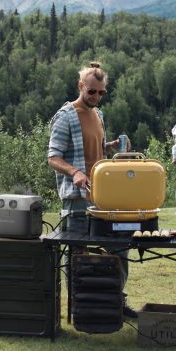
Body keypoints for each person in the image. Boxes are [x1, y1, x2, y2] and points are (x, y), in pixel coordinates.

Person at [48, 62, 137, 318]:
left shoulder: (99, 115)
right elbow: (53, 157)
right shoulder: (65, 117)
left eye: (101, 93)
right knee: (77, 254)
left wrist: (109, 146)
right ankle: (79, 306)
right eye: (92, 92)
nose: (96, 97)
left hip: (102, 197)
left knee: (120, 246)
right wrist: (75, 172)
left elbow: (94, 151)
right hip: (76, 200)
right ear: (80, 87)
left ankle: (115, 301)